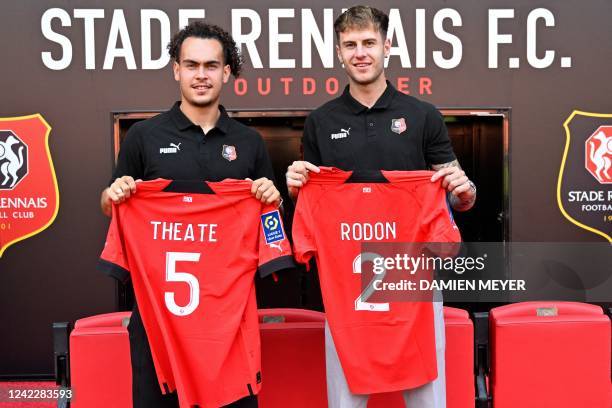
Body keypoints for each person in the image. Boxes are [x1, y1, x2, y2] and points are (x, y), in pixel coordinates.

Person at [285, 6, 476, 408]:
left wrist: (464, 189)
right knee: (345, 397)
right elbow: (313, 203)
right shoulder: (321, 121)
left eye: (369, 43)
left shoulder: (422, 115)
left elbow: (457, 188)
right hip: (345, 284)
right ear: (338, 52)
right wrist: (297, 188)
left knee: (427, 395)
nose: (360, 53)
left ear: (387, 46)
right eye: (350, 45)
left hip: (414, 279)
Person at [100, 21, 280, 408]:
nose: (202, 75)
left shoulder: (248, 143)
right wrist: (113, 194)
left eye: (211, 66)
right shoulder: (144, 137)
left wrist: (273, 200)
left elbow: (272, 225)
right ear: (176, 69)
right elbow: (112, 206)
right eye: (192, 65)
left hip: (227, 326)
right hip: (157, 324)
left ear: (227, 72)